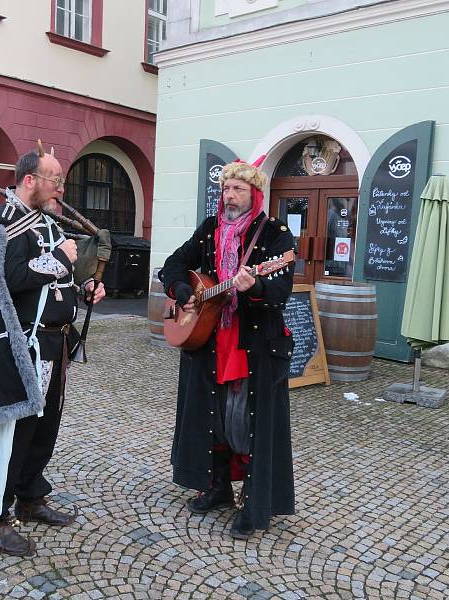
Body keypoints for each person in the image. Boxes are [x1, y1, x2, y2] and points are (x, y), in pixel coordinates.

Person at [0, 144, 105, 557]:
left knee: (45, 428)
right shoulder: (4, 224)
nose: (61, 188)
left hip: (56, 343)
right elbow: (3, 278)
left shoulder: (46, 222)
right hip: (23, 350)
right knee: (13, 434)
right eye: (55, 180)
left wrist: (84, 287)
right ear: (30, 180)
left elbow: (55, 278)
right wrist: (59, 260)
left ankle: (30, 496)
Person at [161, 157, 296, 538]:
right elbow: (173, 264)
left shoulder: (276, 236)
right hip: (208, 340)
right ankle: (218, 487)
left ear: (254, 194)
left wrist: (254, 286)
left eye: (237, 188)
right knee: (212, 417)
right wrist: (184, 291)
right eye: (225, 188)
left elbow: (280, 291)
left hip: (252, 345)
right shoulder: (210, 230)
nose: (229, 194)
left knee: (247, 423)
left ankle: (254, 502)